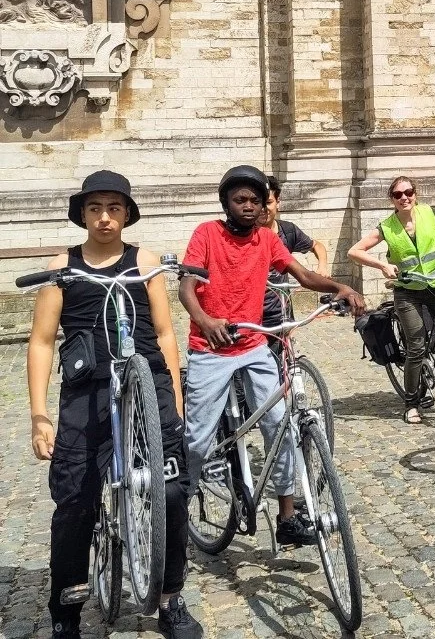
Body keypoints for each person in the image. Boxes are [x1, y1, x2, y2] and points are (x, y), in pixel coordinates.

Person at [26, 171, 203, 639]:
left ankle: (169, 599)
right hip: (87, 392)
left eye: (114, 208)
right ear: (83, 215)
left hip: (148, 385)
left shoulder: (142, 261)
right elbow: (42, 342)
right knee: (75, 501)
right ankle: (66, 612)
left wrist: (175, 404)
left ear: (126, 214)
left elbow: (165, 334)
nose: (105, 218)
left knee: (172, 492)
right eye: (95, 209)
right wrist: (39, 416)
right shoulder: (61, 266)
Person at [180, 165, 365, 548]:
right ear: (226, 203)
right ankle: (176, 511)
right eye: (240, 200)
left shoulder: (266, 240)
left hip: (253, 345)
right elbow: (187, 287)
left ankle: (286, 517)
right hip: (210, 349)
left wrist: (339, 286)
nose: (248, 206)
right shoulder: (206, 233)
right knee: (197, 440)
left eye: (255, 200)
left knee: (280, 426)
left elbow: (302, 275)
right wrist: (205, 319)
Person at [347, 176, 435, 425]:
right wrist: (382, 264)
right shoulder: (388, 226)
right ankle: (411, 403)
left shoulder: (427, 212)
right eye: (398, 194)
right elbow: (354, 251)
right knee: (416, 345)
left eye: (409, 192)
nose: (404, 197)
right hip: (406, 291)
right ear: (392, 199)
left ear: (415, 193)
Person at [260, 174, 329, 331]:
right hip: (254, 312)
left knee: (286, 351)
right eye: (259, 203)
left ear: (278, 203)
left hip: (281, 309)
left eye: (268, 203)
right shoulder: (246, 235)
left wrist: (322, 267)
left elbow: (317, 245)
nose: (264, 209)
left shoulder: (288, 231)